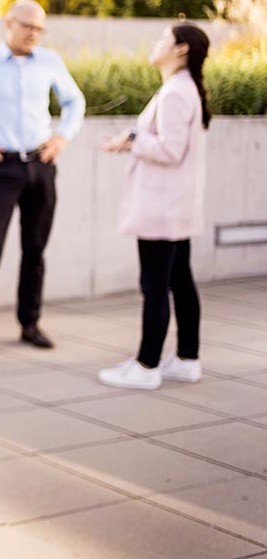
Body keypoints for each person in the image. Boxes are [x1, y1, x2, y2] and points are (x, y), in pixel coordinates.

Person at [0, 0, 85, 359]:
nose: (33, 34)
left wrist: (62, 137)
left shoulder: (50, 62)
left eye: (40, 28)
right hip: (1, 170)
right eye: (28, 26)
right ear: (8, 23)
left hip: (41, 165)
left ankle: (30, 323)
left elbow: (75, 102)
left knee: (35, 250)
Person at [97, 22, 211, 390]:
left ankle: (146, 366)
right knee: (180, 281)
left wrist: (133, 138)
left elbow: (170, 150)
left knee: (155, 285)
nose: (155, 43)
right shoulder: (183, 88)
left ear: (181, 49)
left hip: (162, 207)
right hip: (174, 206)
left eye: (164, 38)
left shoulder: (177, 92)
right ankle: (187, 360)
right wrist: (132, 141)